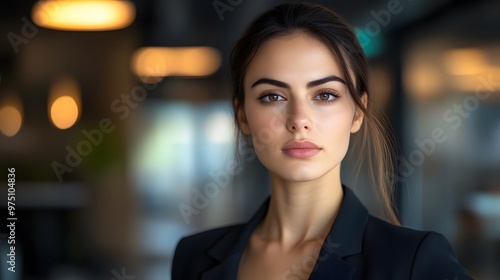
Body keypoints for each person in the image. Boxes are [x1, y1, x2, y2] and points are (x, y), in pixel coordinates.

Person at [172, 2, 473, 279]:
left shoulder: (414, 261)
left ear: (357, 112)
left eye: (325, 95)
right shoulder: (194, 257)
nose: (299, 119)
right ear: (243, 116)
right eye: (273, 96)